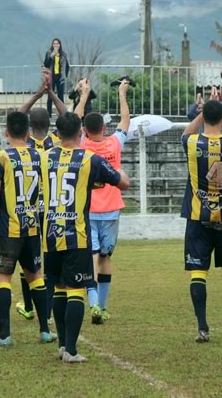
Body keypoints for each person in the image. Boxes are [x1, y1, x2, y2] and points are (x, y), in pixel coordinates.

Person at [41, 112, 130, 363]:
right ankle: (71, 350)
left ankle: (61, 345)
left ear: (57, 134)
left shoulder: (45, 157)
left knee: (58, 288)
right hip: (76, 233)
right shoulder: (90, 159)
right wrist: (122, 174)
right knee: (75, 291)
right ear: (80, 132)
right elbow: (121, 182)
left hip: (50, 232)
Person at [0, 111, 56, 346]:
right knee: (35, 275)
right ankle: (45, 330)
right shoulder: (40, 156)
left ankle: (4, 335)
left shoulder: (1, 158)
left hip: (9, 227)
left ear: (6, 132)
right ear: (28, 132)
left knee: (2, 277)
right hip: (32, 225)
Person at [181, 98, 222, 343]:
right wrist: (220, 111)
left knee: (198, 272)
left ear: (204, 118)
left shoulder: (193, 141)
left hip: (198, 217)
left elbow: (186, 131)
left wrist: (202, 110)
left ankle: (203, 327)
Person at [74, 77, 131, 324]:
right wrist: (122, 94)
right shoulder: (114, 143)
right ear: (104, 129)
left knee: (92, 257)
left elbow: (73, 121)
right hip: (111, 210)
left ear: (85, 131)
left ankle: (94, 305)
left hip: (88, 211)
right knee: (106, 258)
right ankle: (103, 306)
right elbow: (126, 122)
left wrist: (84, 95)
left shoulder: (83, 145)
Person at [16, 68, 67, 321]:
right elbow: (68, 117)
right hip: (51, 209)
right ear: (49, 126)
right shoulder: (56, 143)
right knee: (48, 261)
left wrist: (38, 95)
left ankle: (28, 306)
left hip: (27, 210)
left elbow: (16, 117)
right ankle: (45, 309)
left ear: (28, 127)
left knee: (29, 261)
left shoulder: (23, 144)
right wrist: (52, 94)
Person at [43, 38, 70, 117]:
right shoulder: (49, 53)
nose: (56, 45)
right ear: (52, 45)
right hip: (52, 76)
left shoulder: (63, 54)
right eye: (54, 43)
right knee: (50, 95)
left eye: (57, 43)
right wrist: (52, 55)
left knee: (60, 96)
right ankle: (49, 114)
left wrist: (65, 75)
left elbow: (67, 66)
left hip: (60, 77)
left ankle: (61, 114)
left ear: (60, 45)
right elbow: (46, 64)